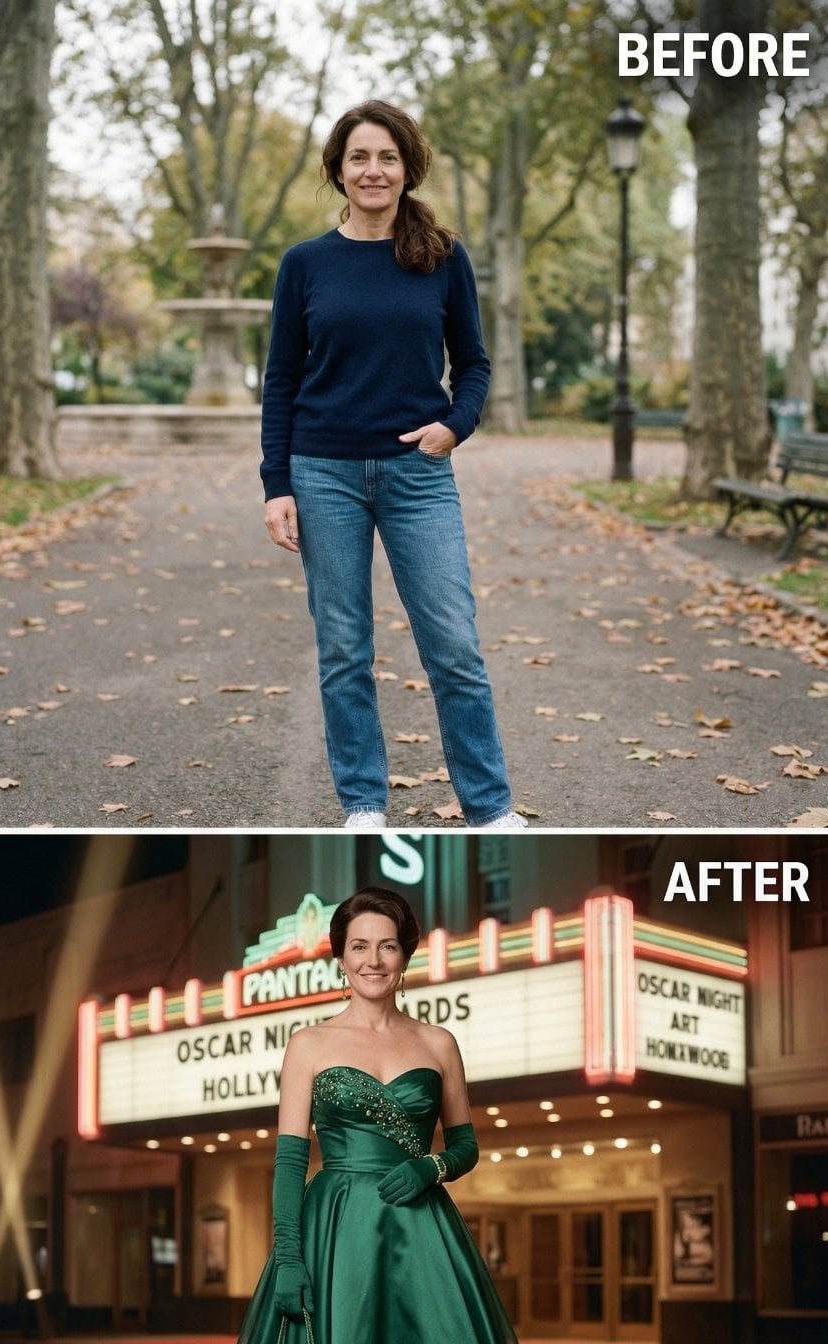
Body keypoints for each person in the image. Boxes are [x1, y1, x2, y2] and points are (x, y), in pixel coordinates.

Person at [165, 886, 596, 1344]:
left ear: (405, 956)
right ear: (339, 957)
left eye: (387, 945)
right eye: (359, 946)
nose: (374, 959)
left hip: (425, 1235)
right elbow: (288, 1162)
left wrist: (432, 1168)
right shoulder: (309, 1044)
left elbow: (466, 1144)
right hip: (337, 1238)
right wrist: (289, 1260)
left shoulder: (438, 1043)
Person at [260, 100, 527, 832]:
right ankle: (364, 803)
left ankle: (489, 807)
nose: (372, 170)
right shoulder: (305, 264)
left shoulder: (442, 256)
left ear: (408, 168)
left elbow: (473, 363)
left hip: (418, 476)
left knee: (454, 644)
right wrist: (276, 484)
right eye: (359, 157)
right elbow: (281, 378)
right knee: (344, 650)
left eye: (387, 157)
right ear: (338, 170)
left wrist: (455, 426)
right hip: (323, 473)